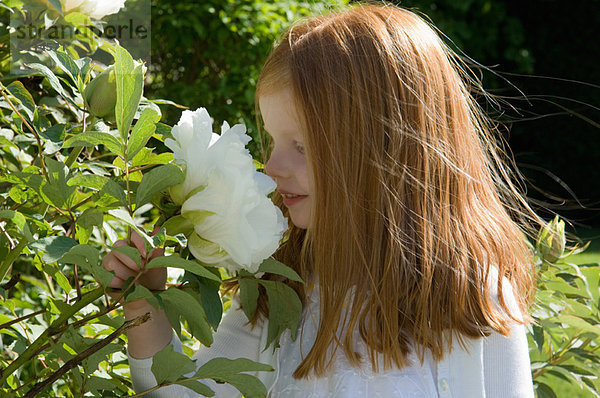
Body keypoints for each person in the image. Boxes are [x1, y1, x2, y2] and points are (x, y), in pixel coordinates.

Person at [102, 3, 544, 397]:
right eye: (273, 141)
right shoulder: (281, 289)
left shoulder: (473, 300)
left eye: (303, 146)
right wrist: (145, 308)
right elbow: (192, 392)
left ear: (387, 151)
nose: (271, 167)